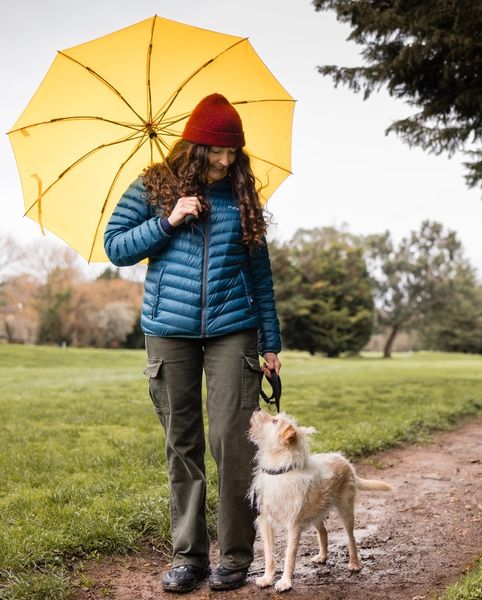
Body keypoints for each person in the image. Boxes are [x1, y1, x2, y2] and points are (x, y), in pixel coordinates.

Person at [104, 93, 281, 593]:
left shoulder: (242, 195)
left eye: (233, 152)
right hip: (168, 332)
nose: (226, 161)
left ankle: (237, 555)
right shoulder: (153, 186)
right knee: (182, 443)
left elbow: (260, 273)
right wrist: (168, 219)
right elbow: (115, 247)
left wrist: (270, 341)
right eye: (217, 152)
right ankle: (190, 557)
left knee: (233, 443)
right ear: (194, 146)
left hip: (235, 328)